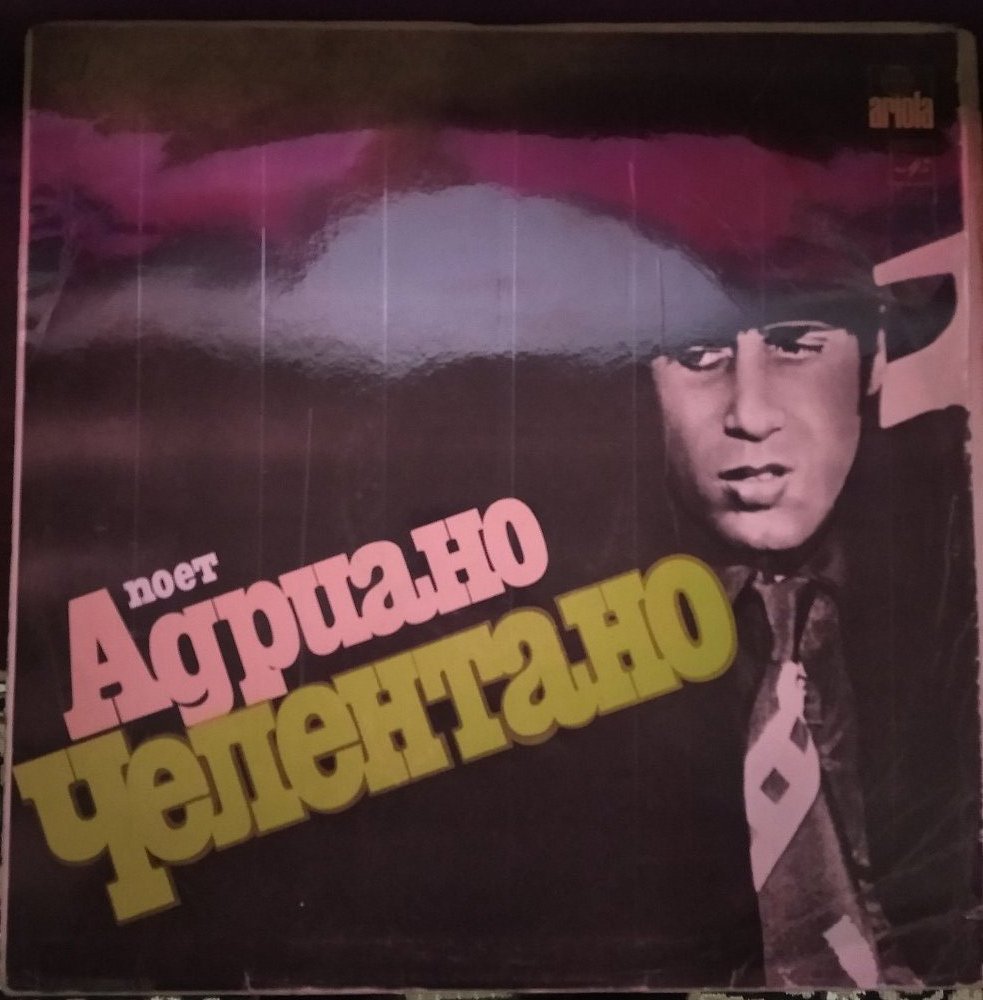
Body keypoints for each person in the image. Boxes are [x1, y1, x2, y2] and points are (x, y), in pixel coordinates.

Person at [647, 244, 978, 987]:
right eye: (696, 355)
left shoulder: (950, 565)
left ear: (874, 359)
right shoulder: (584, 646)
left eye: (794, 344)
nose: (750, 414)